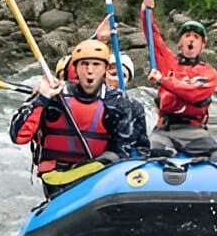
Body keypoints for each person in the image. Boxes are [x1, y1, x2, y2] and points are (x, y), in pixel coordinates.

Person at [9, 39, 134, 198]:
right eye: (84, 64)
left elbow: (126, 152)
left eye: (96, 65)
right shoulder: (54, 96)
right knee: (111, 160)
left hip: (97, 179)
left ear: (105, 70)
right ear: (75, 68)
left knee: (114, 159)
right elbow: (18, 136)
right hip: (57, 179)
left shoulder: (118, 103)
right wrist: (42, 98)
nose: (90, 70)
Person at [139, 0, 217, 156]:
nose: (191, 39)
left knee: (212, 154)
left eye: (196, 37)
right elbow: (153, 38)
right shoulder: (168, 62)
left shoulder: (209, 72)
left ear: (202, 45)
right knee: (154, 151)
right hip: (165, 129)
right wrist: (146, 12)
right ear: (180, 43)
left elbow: (194, 93)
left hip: (193, 130)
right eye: (187, 35)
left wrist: (162, 80)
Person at [106, 53, 150, 156]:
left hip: (125, 162)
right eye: (113, 74)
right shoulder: (96, 102)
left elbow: (142, 145)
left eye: (123, 76)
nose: (117, 79)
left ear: (128, 82)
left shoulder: (135, 107)